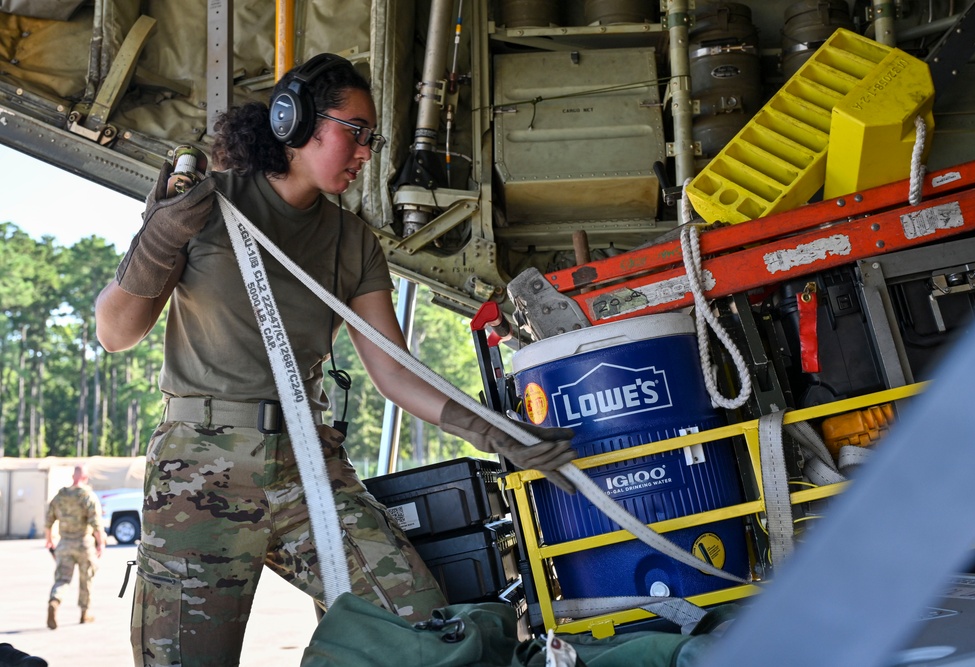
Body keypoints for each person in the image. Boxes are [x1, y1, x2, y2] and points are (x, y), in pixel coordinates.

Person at [94, 53, 576, 666]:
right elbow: (115, 332)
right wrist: (159, 237)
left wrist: (491, 431)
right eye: (355, 132)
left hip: (306, 464)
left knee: (419, 631)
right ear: (295, 124)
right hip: (198, 467)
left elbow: (395, 370)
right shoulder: (207, 205)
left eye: (370, 139)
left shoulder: (353, 242)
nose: (366, 153)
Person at [44, 464, 105, 629]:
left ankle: (54, 601)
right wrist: (101, 543)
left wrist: (49, 540)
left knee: (62, 579)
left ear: (73, 477)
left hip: (64, 544)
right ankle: (85, 613)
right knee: (86, 580)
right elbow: (96, 523)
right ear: (85, 478)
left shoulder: (59, 496)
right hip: (84, 544)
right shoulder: (87, 496)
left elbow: (48, 521)